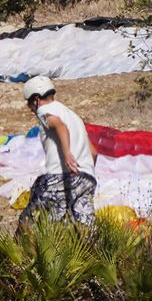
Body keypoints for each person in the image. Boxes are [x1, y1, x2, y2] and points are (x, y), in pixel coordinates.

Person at [19, 76, 97, 224]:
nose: (30, 109)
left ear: (36, 99)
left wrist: (67, 155)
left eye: (29, 104)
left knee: (32, 220)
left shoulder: (44, 110)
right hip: (87, 178)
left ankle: (27, 245)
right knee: (84, 224)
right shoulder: (73, 116)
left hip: (59, 177)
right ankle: (93, 246)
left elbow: (59, 125)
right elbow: (93, 152)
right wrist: (85, 171)